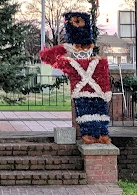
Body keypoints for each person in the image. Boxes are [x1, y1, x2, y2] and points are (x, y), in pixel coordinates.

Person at [40, 11, 112, 144]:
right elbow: (46, 57)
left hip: (97, 94)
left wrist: (106, 92)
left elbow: (104, 78)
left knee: (101, 115)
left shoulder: (99, 62)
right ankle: (91, 135)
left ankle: (101, 134)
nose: (82, 52)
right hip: (82, 94)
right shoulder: (71, 64)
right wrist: (66, 47)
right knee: (86, 117)